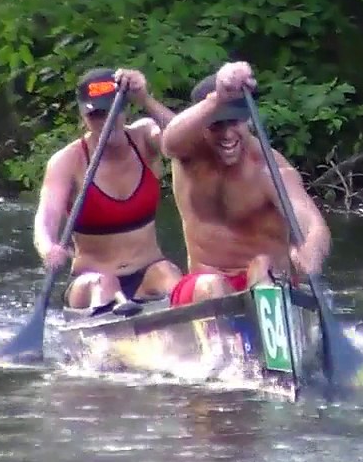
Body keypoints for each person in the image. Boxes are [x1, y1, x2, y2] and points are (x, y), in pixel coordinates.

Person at [160, 62, 332, 306]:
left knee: (262, 266)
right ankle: (222, 341)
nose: (227, 134)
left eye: (234, 123)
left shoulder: (269, 168)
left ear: (248, 121)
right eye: (217, 125)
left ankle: (272, 334)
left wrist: (312, 251)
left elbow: (311, 222)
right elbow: (169, 142)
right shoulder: (188, 156)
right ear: (201, 126)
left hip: (268, 286)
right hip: (204, 287)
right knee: (211, 284)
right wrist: (217, 98)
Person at [32, 67, 185, 316]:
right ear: (83, 117)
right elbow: (46, 217)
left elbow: (185, 139)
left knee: (168, 274)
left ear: (125, 109)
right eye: (97, 115)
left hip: (149, 272)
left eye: (113, 111)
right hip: (91, 280)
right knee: (103, 284)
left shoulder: (146, 136)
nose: (107, 122)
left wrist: (144, 98)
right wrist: (48, 248)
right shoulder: (67, 161)